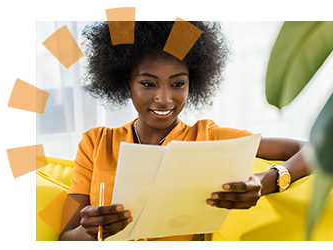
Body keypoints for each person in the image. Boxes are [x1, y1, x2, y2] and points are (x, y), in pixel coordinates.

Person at [60, 21, 310, 241]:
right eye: (148, 84)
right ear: (128, 82)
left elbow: (314, 149)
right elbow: (65, 237)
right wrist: (89, 231)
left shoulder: (208, 138)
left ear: (193, 82)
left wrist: (268, 180)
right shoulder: (95, 143)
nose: (165, 99)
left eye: (178, 84)